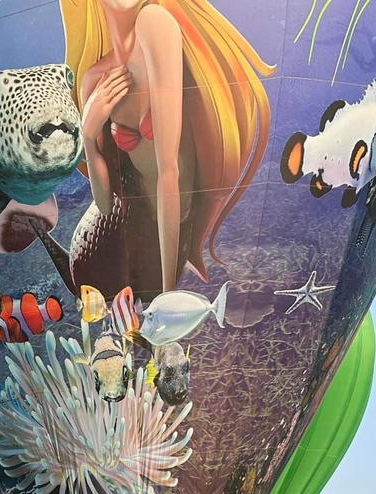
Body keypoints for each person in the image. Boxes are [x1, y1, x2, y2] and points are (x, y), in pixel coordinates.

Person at [61, 0, 273, 302]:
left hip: (178, 218)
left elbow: (169, 171)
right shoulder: (95, 79)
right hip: (142, 220)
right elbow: (105, 205)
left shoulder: (154, 23)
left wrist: (169, 294)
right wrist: (89, 134)